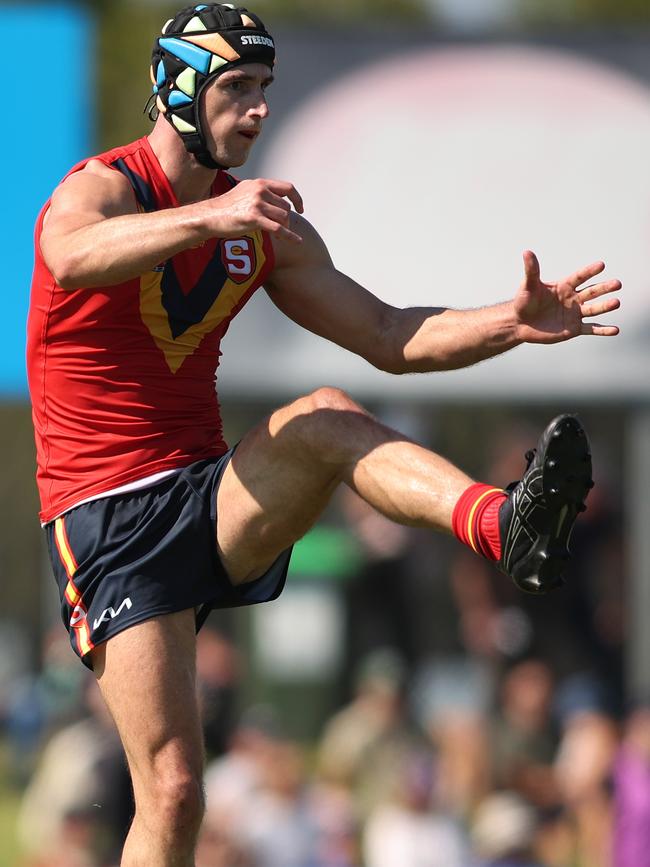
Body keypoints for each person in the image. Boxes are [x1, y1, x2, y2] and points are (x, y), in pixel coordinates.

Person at [26, 4, 621, 865]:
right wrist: (210, 219)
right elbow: (70, 254)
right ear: (178, 92)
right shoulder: (107, 187)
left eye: (265, 88)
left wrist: (510, 321)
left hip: (204, 493)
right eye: (236, 88)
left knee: (324, 415)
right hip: (104, 516)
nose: (259, 109)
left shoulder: (258, 224)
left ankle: (505, 524)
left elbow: (387, 333)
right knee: (175, 789)